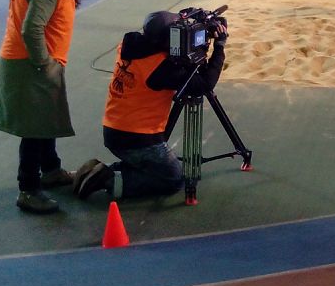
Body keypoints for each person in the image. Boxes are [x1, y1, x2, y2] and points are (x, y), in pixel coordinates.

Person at [0, 0, 91, 214]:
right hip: (31, 64)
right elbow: (32, 28)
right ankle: (28, 189)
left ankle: (51, 170)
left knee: (45, 119)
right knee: (34, 128)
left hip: (37, 62)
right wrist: (43, 62)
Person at [72, 11, 228, 200]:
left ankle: (97, 171)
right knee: (173, 179)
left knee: (151, 165)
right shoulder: (161, 69)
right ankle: (109, 179)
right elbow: (204, 84)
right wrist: (219, 47)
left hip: (114, 129)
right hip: (138, 139)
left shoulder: (129, 45)